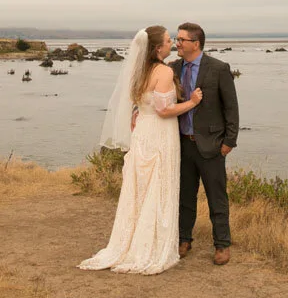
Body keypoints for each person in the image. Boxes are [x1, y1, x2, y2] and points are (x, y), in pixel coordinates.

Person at [78, 26, 202, 275]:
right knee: (159, 185)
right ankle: (152, 246)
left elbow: (140, 103)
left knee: (140, 188)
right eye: (169, 41)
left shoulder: (138, 71)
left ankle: (132, 241)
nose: (173, 44)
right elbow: (164, 110)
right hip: (159, 132)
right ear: (157, 48)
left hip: (142, 132)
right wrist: (192, 102)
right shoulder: (164, 71)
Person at [169, 22, 239, 265]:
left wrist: (229, 141)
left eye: (181, 40)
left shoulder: (218, 68)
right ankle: (183, 239)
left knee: (216, 198)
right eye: (176, 39)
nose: (176, 43)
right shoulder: (172, 68)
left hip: (212, 145)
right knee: (185, 196)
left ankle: (222, 244)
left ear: (195, 44)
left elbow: (231, 106)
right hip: (182, 144)